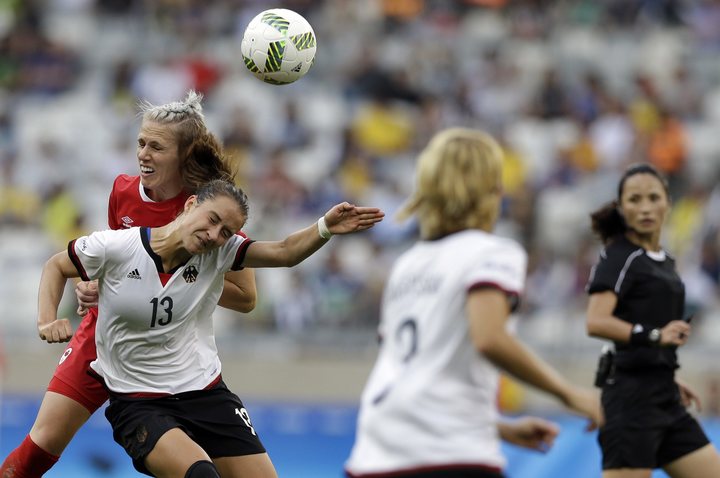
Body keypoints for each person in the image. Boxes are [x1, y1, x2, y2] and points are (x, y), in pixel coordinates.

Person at [36, 178, 385, 477]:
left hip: (206, 394)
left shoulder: (219, 253)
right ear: (190, 204)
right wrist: (47, 319)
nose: (215, 235)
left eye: (226, 232)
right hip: (139, 402)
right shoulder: (118, 247)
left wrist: (324, 226)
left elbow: (283, 252)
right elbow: (56, 266)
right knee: (200, 473)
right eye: (213, 219)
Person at [0, 90, 258, 478]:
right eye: (141, 143)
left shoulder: (212, 211)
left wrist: (181, 281)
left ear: (184, 156)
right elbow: (112, 259)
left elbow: (246, 297)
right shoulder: (123, 190)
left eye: (156, 146)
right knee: (40, 445)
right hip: (103, 337)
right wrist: (96, 284)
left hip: (165, 356)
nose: (143, 154)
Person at [344, 127, 602, 478]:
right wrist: (570, 395)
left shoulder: (406, 264)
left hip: (375, 451)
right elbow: (489, 338)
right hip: (451, 452)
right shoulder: (493, 253)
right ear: (491, 190)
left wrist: (498, 427)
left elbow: (416, 370)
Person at [585, 162, 720, 478]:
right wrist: (655, 337)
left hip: (665, 398)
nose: (645, 208)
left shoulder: (665, 261)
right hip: (631, 402)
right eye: (634, 200)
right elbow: (596, 321)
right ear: (621, 208)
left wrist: (666, 372)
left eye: (653, 197)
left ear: (668, 203)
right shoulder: (618, 257)